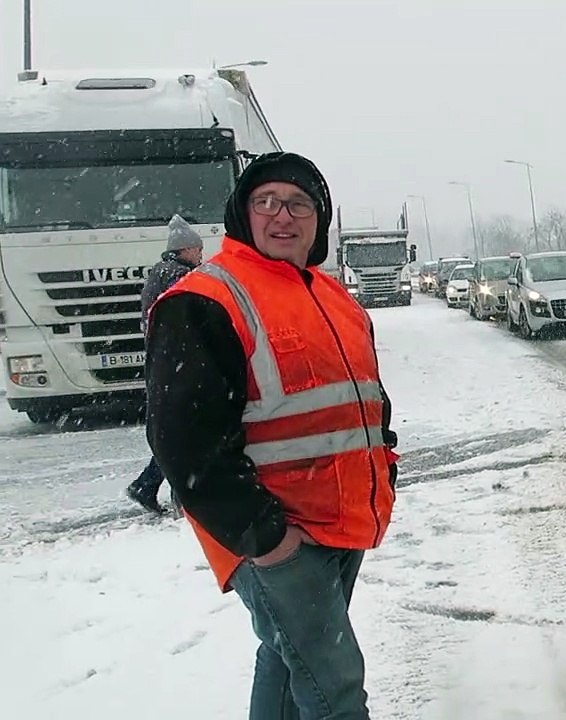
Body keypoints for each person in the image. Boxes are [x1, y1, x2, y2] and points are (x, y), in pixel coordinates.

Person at [144, 152, 399, 719]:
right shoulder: (206, 299)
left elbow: (366, 399)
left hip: (342, 523)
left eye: (299, 204)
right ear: (243, 214)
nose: (282, 216)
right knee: (335, 690)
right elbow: (181, 440)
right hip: (275, 538)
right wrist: (262, 535)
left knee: (289, 665)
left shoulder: (333, 298)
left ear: (320, 218)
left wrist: (386, 465)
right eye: (266, 202)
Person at [125, 214, 203, 514]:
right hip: (179, 364)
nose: (200, 254)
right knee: (184, 430)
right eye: (197, 249)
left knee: (175, 430)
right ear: (184, 249)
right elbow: (190, 319)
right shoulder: (178, 275)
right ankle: (174, 494)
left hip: (165, 364)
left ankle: (149, 486)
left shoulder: (160, 272)